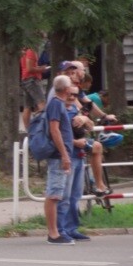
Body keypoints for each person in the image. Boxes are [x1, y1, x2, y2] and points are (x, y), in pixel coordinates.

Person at [57, 86, 94, 242]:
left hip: (79, 156)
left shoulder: (75, 108)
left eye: (75, 95)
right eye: (69, 94)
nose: (72, 97)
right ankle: (61, 230)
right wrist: (75, 143)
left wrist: (84, 119)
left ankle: (72, 228)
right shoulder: (57, 109)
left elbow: (91, 126)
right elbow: (54, 134)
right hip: (67, 156)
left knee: (75, 196)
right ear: (63, 93)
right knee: (64, 196)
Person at [44, 75, 75, 245]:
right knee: (54, 194)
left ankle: (55, 231)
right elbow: (54, 130)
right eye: (70, 85)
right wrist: (64, 154)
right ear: (66, 89)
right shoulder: (56, 104)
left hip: (60, 155)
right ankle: (53, 233)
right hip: (57, 156)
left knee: (57, 193)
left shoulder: (58, 103)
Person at [20, 45, 49, 130]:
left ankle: (28, 130)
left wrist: (39, 67)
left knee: (27, 106)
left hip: (25, 80)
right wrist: (42, 69)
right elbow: (30, 69)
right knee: (42, 103)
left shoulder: (24, 51)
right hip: (32, 80)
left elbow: (28, 67)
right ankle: (44, 129)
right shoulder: (31, 51)